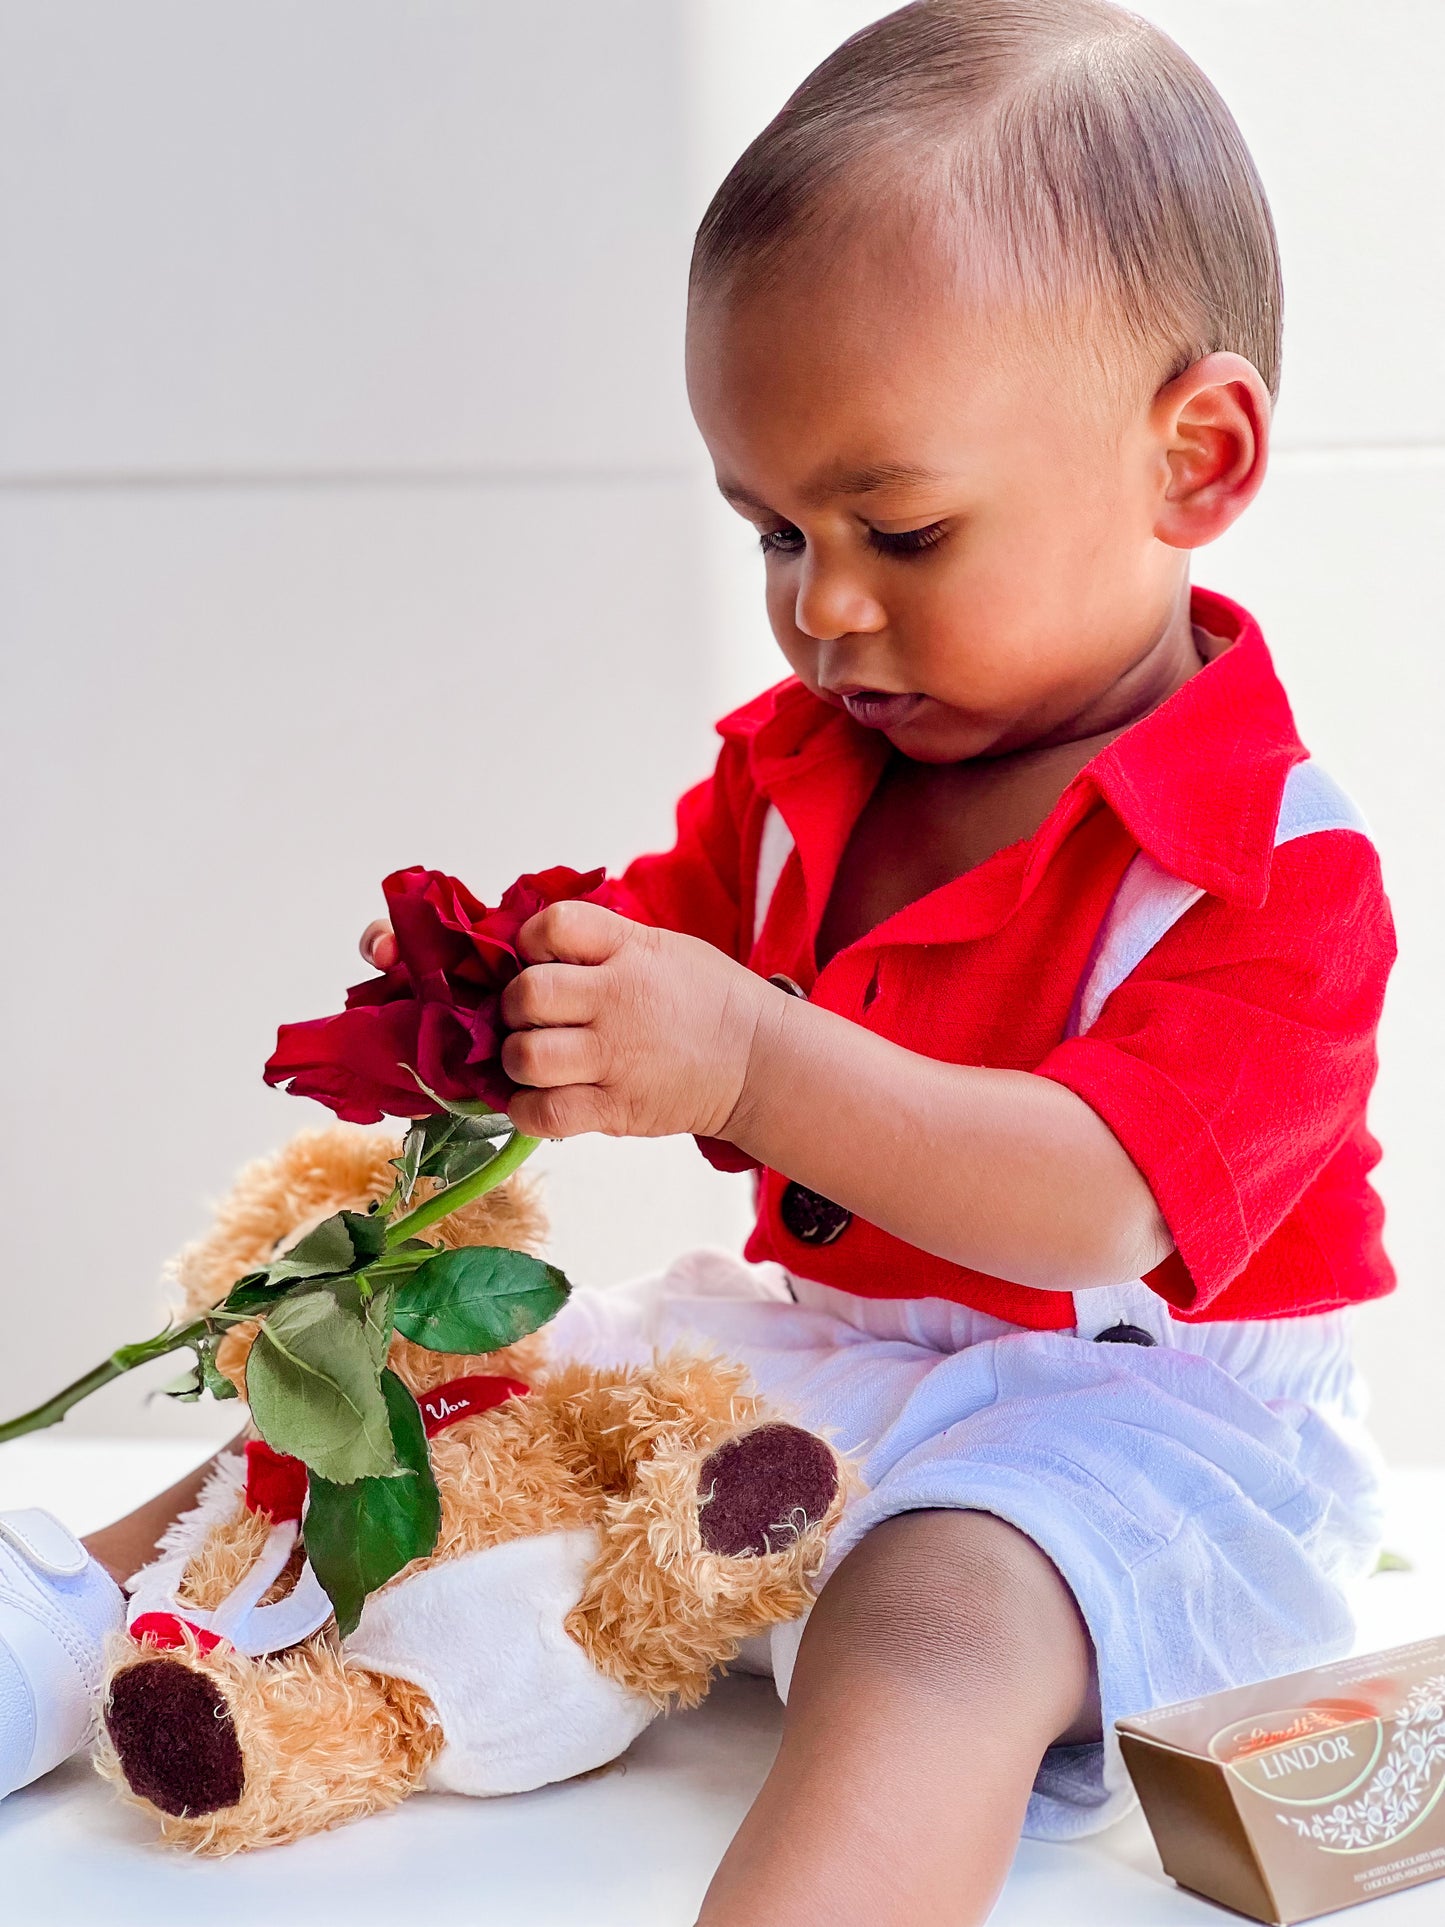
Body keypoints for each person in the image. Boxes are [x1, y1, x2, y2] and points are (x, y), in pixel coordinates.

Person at [0, 5, 1396, 1922]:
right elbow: (666, 965)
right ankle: (72, 1611)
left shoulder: (1268, 867)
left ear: (1195, 454)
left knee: (942, 1610)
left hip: (1141, 1427)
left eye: (899, 528)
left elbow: (1092, 1204)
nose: (824, 608)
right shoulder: (801, 770)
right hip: (826, 1360)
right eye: (771, 531)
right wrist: (522, 1013)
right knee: (429, 1399)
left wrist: (746, 1062)